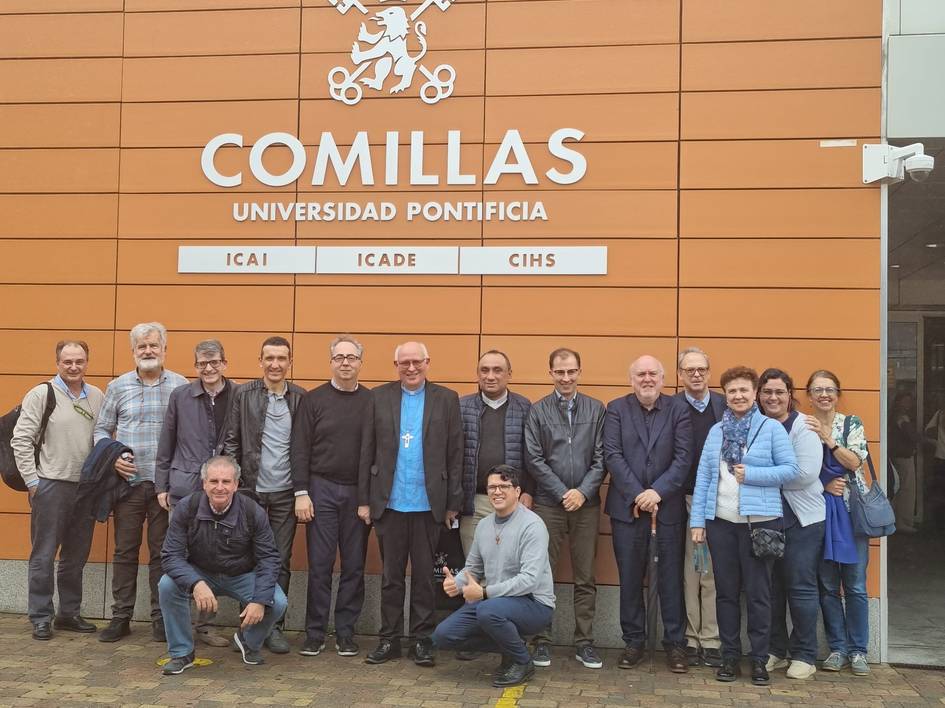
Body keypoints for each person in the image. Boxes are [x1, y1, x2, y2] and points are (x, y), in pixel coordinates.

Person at [689, 365, 798, 686]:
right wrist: (698, 522)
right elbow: (704, 478)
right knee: (724, 594)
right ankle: (730, 657)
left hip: (759, 525)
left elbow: (790, 470)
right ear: (726, 395)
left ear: (754, 395)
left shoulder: (771, 428)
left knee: (758, 595)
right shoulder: (716, 431)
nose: (738, 395)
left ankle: (760, 660)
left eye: (744, 390)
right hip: (721, 524)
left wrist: (752, 475)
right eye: (732, 391)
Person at [358, 341, 463, 667]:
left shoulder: (446, 399)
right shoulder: (379, 397)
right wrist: (364, 500)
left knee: (422, 578)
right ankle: (389, 640)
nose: (411, 368)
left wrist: (452, 504)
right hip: (389, 505)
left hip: (428, 505)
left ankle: (422, 640)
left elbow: (456, 453)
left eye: (417, 362)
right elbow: (367, 451)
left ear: (428, 363)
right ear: (396, 365)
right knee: (390, 577)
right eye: (404, 363)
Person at [93, 322, 188, 643]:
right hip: (129, 484)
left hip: (165, 488)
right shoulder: (117, 387)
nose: (148, 351)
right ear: (133, 351)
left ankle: (161, 618)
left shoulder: (180, 385)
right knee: (125, 551)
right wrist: (111, 457)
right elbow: (101, 430)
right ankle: (121, 617)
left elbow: (188, 435)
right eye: (141, 347)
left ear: (164, 349)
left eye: (153, 345)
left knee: (163, 553)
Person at [157, 455, 288, 675]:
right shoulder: (186, 507)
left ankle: (248, 641)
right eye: (214, 481)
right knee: (167, 585)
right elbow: (170, 555)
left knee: (277, 602)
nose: (220, 487)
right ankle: (182, 653)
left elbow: (269, 558)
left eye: (226, 482)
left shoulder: (253, 512)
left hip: (241, 575)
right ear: (204, 484)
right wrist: (195, 583)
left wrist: (259, 600)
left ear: (236, 485)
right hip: (201, 573)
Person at [603, 355, 692, 673]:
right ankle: (634, 642)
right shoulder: (616, 408)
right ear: (631, 379)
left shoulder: (678, 408)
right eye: (640, 374)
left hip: (666, 509)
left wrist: (658, 492)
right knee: (629, 578)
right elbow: (612, 454)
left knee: (670, 579)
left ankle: (675, 644)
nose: (647, 378)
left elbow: (684, 457)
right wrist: (640, 494)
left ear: (664, 378)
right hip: (627, 509)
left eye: (653, 373)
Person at [12, 340, 104, 640]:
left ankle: (69, 614)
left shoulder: (97, 397)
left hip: (86, 488)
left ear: (87, 362)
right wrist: (33, 482)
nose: (74, 367)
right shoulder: (42, 394)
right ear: (57, 363)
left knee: (75, 557)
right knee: (43, 554)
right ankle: (40, 616)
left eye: (79, 361)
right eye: (68, 362)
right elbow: (21, 439)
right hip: (50, 485)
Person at [432, 465, 555, 688]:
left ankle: (523, 661)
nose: (497, 492)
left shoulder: (532, 526)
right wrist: (456, 584)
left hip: (534, 604)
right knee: (443, 635)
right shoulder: (484, 526)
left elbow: (530, 580)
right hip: (495, 602)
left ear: (517, 491)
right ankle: (513, 645)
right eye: (492, 487)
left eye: (503, 486)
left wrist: (485, 592)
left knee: (488, 611)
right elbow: (473, 568)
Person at [223, 335, 305, 655]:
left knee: (281, 560)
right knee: (248, 558)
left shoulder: (300, 397)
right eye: (269, 358)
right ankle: (246, 625)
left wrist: (302, 490)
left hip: (285, 493)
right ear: (260, 361)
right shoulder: (243, 394)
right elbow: (231, 440)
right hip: (250, 492)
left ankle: (273, 627)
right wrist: (234, 487)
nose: (275, 364)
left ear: (289, 362)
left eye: (281, 358)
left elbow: (304, 448)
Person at [525, 347, 606, 670]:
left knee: (586, 576)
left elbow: (602, 458)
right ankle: (541, 640)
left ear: (580, 371)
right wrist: (562, 493)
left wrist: (582, 493)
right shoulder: (538, 411)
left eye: (572, 371)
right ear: (550, 374)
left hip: (586, 506)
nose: (566, 377)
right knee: (542, 574)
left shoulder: (596, 409)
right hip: (549, 504)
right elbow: (533, 459)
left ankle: (584, 642)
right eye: (560, 372)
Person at [291, 335, 372, 658]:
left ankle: (346, 632)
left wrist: (368, 499)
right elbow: (299, 449)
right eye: (339, 357)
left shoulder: (371, 402)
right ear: (331, 362)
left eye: (351, 357)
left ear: (360, 363)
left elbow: (376, 453)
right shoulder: (313, 401)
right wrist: (301, 493)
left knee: (354, 565)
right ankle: (314, 633)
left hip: (357, 493)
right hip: (320, 489)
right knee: (320, 565)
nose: (345, 363)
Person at [155, 338, 238, 648]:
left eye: (214, 362)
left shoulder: (239, 394)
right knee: (179, 556)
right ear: (195, 367)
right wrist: (161, 484)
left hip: (223, 489)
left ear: (225, 363)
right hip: (185, 487)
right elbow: (167, 442)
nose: (209, 368)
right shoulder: (181, 396)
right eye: (202, 363)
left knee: (213, 556)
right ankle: (176, 627)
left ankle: (205, 627)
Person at [757, 368, 824, 680]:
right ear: (759, 395)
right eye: (767, 392)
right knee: (771, 588)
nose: (773, 397)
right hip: (766, 518)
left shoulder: (804, 427)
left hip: (802, 520)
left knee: (800, 586)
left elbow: (806, 474)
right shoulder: (755, 425)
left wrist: (761, 475)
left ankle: (805, 654)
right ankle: (776, 650)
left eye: (779, 392)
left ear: (790, 396)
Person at [807, 370, 872, 677]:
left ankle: (859, 651)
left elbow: (855, 462)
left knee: (856, 585)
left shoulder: (852, 423)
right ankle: (837, 648)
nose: (824, 395)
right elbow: (798, 470)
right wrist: (823, 484)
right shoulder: (801, 425)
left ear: (837, 393)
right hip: (819, 514)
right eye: (818, 389)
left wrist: (829, 440)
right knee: (828, 586)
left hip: (852, 514)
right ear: (809, 395)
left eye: (829, 389)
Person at [674, 347, 725, 668]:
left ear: (709, 372)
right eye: (689, 370)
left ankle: (712, 637)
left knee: (712, 572)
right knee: (690, 570)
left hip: (718, 501)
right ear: (679, 374)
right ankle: (692, 637)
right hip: (681, 499)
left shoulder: (724, 404)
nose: (696, 374)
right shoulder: (671, 406)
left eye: (701, 369)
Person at [459, 350, 533, 555]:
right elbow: (452, 457)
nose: (490, 376)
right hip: (474, 503)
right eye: (484, 370)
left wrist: (529, 491)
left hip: (513, 501)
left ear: (509, 374)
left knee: (509, 564)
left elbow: (533, 455)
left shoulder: (524, 407)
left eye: (497, 370)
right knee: (475, 567)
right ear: (477, 374)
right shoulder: (462, 407)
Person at [889, 391, 918, 533]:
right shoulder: (901, 417)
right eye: (906, 401)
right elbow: (911, 434)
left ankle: (898, 520)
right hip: (903, 457)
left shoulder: (895, 415)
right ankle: (903, 522)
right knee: (905, 489)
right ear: (899, 402)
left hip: (899, 455)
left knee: (899, 487)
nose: (909, 404)